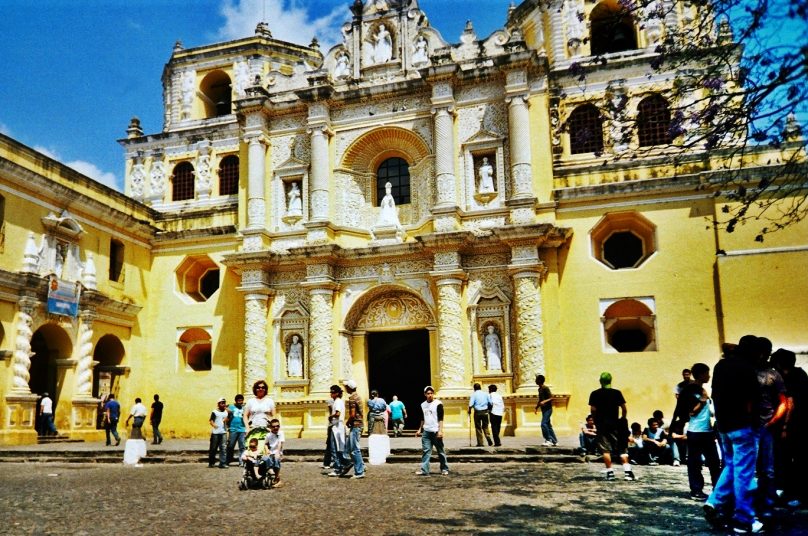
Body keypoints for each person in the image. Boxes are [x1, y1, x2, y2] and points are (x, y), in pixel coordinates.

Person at [703, 336, 763, 534]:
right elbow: (752, 400)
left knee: (731, 466)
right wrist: (754, 423)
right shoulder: (747, 368)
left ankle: (714, 501)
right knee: (744, 473)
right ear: (754, 352)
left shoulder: (721, 366)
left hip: (724, 426)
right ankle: (743, 519)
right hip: (742, 426)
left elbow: (715, 395)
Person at [752, 336, 787, 521]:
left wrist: (772, 422)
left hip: (765, 426)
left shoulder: (774, 375)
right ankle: (758, 503)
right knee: (753, 468)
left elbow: (783, 403)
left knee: (767, 468)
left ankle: (768, 502)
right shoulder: (748, 371)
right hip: (750, 426)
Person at [770, 348, 808, 507]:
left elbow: (790, 404)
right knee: (799, 461)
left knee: (786, 461)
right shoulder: (802, 375)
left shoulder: (788, 379)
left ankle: (792, 494)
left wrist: (784, 427)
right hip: (801, 425)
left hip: (791, 426)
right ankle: (798, 495)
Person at [678, 362, 721, 501]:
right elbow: (689, 412)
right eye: (707, 373)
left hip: (707, 431)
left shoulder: (703, 390)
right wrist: (702, 402)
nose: (709, 376)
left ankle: (718, 489)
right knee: (695, 462)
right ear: (701, 374)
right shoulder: (691, 390)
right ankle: (696, 490)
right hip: (696, 431)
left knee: (714, 462)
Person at [589, 372, 637, 481]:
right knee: (622, 449)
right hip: (616, 424)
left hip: (602, 425)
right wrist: (623, 418)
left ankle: (610, 473)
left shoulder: (595, 394)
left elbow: (593, 410)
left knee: (606, 450)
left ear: (600, 381)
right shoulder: (617, 393)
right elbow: (624, 408)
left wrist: (596, 421)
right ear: (611, 380)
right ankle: (627, 472)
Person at [416, 385, 449, 476]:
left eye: (431, 393)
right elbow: (422, 418)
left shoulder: (438, 404)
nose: (430, 395)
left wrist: (440, 430)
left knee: (440, 451)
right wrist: (419, 429)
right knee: (426, 451)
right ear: (425, 394)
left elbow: (441, 418)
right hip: (426, 431)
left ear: (433, 394)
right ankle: (424, 470)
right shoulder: (423, 405)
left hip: (435, 430)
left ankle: (444, 468)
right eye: (428, 393)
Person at [342, 379, 366, 479]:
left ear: (349, 387)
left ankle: (359, 471)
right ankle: (351, 464)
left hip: (356, 425)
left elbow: (352, 414)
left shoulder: (352, 398)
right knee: (347, 449)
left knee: (354, 450)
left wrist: (347, 422)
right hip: (359, 425)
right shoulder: (358, 397)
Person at [244, 379, 275, 445]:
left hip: (266, 429)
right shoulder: (250, 401)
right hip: (253, 429)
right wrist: (247, 428)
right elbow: (245, 416)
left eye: (263, 387)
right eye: (258, 387)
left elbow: (274, 416)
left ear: (265, 389)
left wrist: (273, 428)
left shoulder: (270, 401)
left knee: (265, 449)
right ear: (255, 389)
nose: (260, 389)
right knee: (253, 450)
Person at [326, 385, 348, 476]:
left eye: (333, 392)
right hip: (337, 426)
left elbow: (337, 414)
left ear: (337, 393)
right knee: (338, 447)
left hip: (337, 426)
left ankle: (338, 467)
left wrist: (330, 416)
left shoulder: (338, 402)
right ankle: (341, 465)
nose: (331, 394)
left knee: (334, 448)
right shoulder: (337, 402)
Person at [534, 375, 558, 447]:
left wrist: (544, 401)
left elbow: (552, 397)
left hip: (548, 409)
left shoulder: (545, 388)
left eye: (536, 380)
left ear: (540, 380)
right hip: (543, 409)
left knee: (543, 424)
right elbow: (540, 399)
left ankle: (548, 440)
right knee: (548, 425)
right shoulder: (540, 389)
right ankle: (554, 441)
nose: (535, 381)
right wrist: (536, 407)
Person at [468, 383, 493, 447]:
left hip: (477, 412)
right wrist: (489, 410)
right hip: (485, 412)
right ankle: (488, 437)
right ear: (480, 387)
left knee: (478, 427)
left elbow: (470, 404)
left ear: (474, 388)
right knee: (485, 426)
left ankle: (480, 442)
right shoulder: (486, 394)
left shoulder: (473, 394)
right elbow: (490, 403)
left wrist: (469, 411)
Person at [262, 418, 285, 487]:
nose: (276, 428)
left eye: (277, 426)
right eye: (274, 426)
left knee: (276, 461)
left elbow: (280, 443)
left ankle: (277, 478)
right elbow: (265, 443)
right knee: (265, 459)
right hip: (271, 451)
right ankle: (270, 472)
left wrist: (278, 452)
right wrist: (267, 450)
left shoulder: (281, 433)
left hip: (277, 451)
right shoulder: (268, 435)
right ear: (270, 427)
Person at [227, 394, 247, 466]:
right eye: (238, 400)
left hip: (242, 429)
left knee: (242, 446)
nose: (240, 401)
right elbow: (227, 413)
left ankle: (241, 461)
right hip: (233, 429)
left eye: (241, 400)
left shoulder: (244, 408)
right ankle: (228, 460)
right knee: (230, 445)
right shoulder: (231, 407)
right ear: (236, 401)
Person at [208, 397, 229, 469]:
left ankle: (222, 463)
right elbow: (211, 420)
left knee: (223, 448)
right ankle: (211, 462)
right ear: (218, 404)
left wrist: (227, 419)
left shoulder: (226, 412)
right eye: (222, 403)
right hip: (215, 433)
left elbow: (229, 417)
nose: (223, 404)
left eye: (224, 403)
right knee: (213, 448)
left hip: (223, 432)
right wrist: (214, 425)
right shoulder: (215, 412)